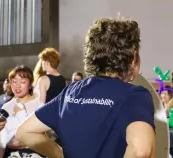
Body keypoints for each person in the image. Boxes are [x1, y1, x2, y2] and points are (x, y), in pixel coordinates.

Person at [16, 18, 156, 158]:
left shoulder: (71, 92)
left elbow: (24, 131)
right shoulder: (134, 95)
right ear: (133, 57)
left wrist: (60, 155)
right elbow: (140, 151)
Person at [0, 66, 44, 157]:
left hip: (32, 153)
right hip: (9, 153)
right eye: (14, 82)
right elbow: (1, 140)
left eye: (22, 82)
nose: (17, 86)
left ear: (30, 84)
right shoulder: (6, 106)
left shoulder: (39, 106)